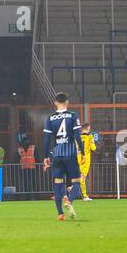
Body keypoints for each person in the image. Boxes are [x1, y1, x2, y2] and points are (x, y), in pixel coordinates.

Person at [41, 92, 84, 221]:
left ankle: (60, 213)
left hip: (57, 155)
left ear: (55, 103)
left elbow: (47, 139)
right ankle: (69, 201)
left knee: (58, 183)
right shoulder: (72, 116)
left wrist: (45, 156)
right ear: (67, 102)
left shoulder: (50, 118)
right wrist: (81, 151)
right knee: (77, 181)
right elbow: (77, 135)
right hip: (70, 154)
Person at [77, 127, 98, 201]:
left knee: (79, 177)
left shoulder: (77, 136)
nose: (89, 130)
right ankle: (85, 196)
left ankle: (73, 188)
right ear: (86, 129)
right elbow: (93, 148)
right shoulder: (89, 137)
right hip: (85, 160)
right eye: (88, 129)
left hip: (77, 158)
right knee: (83, 178)